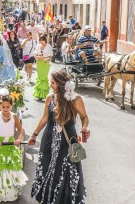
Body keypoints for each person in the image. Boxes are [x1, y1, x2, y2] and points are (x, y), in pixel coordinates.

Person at [28, 70, 90, 204]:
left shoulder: (75, 99)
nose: (50, 85)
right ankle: (46, 198)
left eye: (53, 83)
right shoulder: (50, 98)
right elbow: (44, 118)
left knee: (64, 171)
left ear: (61, 84)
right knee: (45, 167)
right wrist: (34, 134)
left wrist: (84, 127)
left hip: (67, 142)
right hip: (49, 139)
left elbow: (84, 117)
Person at [0, 96, 28, 203]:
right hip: (0, 145)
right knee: (1, 167)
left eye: (8, 107)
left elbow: (21, 129)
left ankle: (10, 192)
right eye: (3, 106)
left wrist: (18, 139)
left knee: (11, 167)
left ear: (11, 106)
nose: (5, 109)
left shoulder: (14, 116)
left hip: (10, 144)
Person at [33, 35, 53, 100]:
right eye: (40, 40)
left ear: (45, 40)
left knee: (44, 77)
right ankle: (39, 94)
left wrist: (45, 58)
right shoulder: (38, 46)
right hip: (39, 63)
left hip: (45, 63)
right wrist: (37, 57)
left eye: (43, 40)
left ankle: (44, 94)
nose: (41, 41)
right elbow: (35, 54)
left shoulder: (48, 46)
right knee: (39, 77)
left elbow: (50, 56)